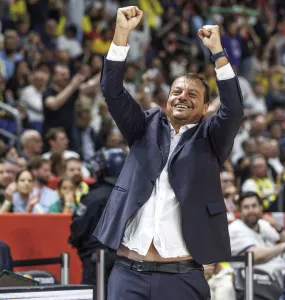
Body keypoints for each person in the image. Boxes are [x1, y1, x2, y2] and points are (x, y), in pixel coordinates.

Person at [93, 6, 243, 299]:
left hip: (182, 276)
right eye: (176, 92)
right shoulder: (143, 125)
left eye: (192, 95)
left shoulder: (211, 137)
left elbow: (234, 109)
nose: (182, 97)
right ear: (167, 99)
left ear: (204, 108)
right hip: (128, 272)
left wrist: (218, 53)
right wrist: (122, 33)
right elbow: (111, 89)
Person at [70, 148, 127, 290]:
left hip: (98, 262)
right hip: (128, 262)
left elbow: (78, 230)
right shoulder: (135, 195)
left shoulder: (94, 197)